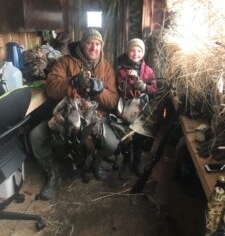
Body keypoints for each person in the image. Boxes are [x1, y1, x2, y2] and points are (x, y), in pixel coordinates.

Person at [29, 28, 119, 200]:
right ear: (82, 44)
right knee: (36, 137)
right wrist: (71, 82)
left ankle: (95, 163)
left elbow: (114, 100)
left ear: (101, 47)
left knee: (112, 145)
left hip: (94, 116)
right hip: (68, 114)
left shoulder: (106, 68)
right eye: (90, 43)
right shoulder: (65, 62)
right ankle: (53, 174)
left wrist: (98, 90)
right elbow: (51, 87)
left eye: (98, 44)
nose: (94, 48)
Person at [117, 38, 157, 179]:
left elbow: (154, 89)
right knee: (126, 137)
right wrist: (128, 80)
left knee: (139, 138)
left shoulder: (148, 71)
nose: (135, 53)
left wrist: (144, 86)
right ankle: (126, 163)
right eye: (132, 50)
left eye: (139, 50)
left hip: (142, 109)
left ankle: (136, 163)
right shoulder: (121, 70)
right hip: (126, 109)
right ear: (128, 52)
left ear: (143, 53)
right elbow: (119, 89)